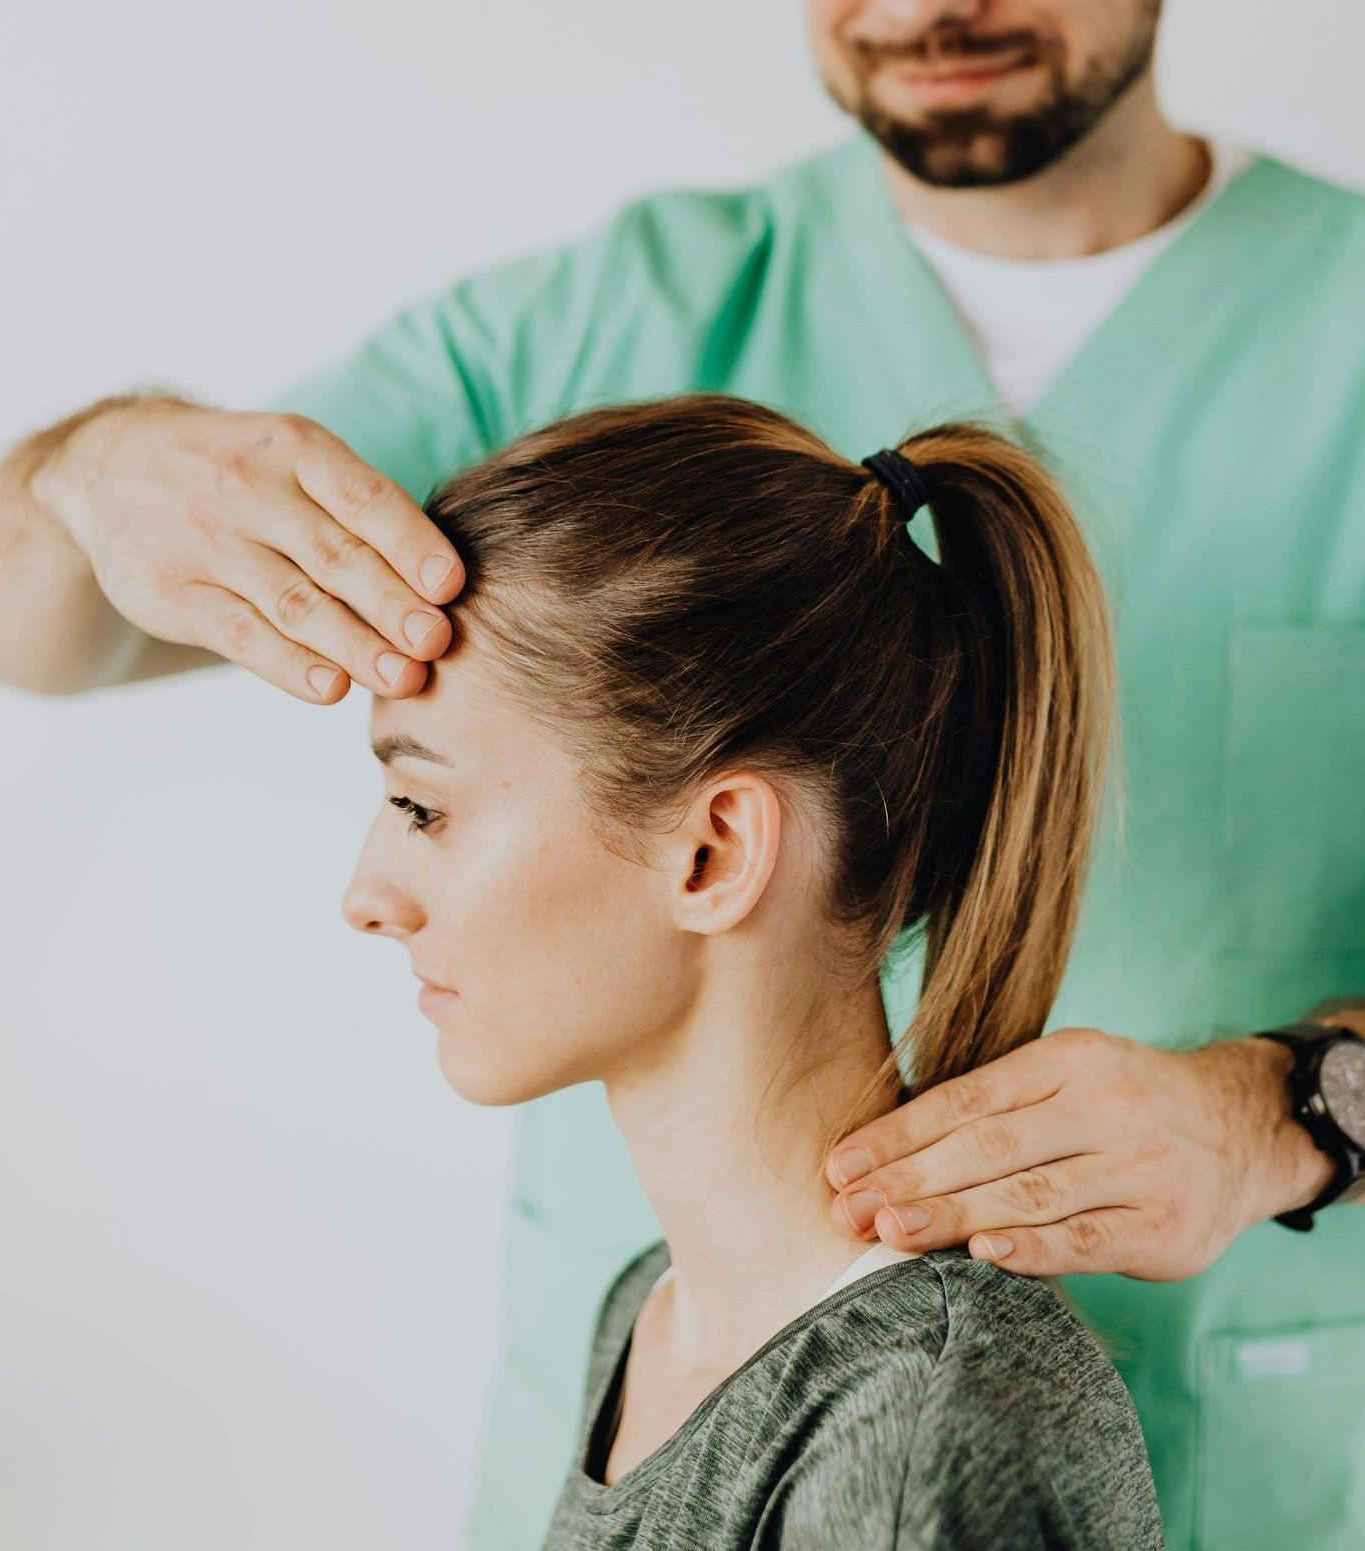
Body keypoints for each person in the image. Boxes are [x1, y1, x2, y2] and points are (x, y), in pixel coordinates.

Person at [0, 0, 1365, 1547]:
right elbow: (36, 628)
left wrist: (1284, 1108)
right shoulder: (603, 329)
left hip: (1253, 1476)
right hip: (689, 1442)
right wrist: (95, 468)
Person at [342, 391, 1163, 1547]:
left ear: (713, 850)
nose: (365, 897)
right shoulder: (656, 1312)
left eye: (423, 805)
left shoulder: (911, 1432)